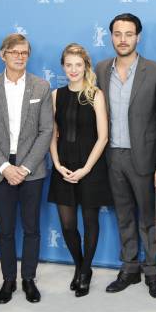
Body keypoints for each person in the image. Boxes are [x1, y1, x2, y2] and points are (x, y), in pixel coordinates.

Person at [95, 13, 156, 298]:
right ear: (111, 36)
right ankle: (129, 268)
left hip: (145, 158)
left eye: (128, 34)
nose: (123, 39)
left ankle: (152, 271)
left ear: (138, 37)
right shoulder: (101, 69)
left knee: (148, 218)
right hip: (112, 157)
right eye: (117, 33)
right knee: (123, 216)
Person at [0, 33, 53, 304]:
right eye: (14, 52)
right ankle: (8, 279)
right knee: (6, 230)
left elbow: (46, 132)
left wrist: (25, 168)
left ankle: (28, 279)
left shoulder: (41, 87)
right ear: (3, 55)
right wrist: (5, 167)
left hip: (31, 170)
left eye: (24, 52)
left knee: (31, 228)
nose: (20, 57)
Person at [48, 43, 112, 297]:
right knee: (67, 225)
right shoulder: (56, 95)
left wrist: (85, 169)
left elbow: (103, 137)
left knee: (90, 221)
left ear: (86, 66)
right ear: (63, 66)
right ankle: (79, 264)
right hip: (63, 166)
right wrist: (56, 164)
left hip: (91, 168)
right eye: (68, 65)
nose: (73, 70)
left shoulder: (96, 94)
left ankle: (85, 271)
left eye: (78, 65)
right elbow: (52, 133)